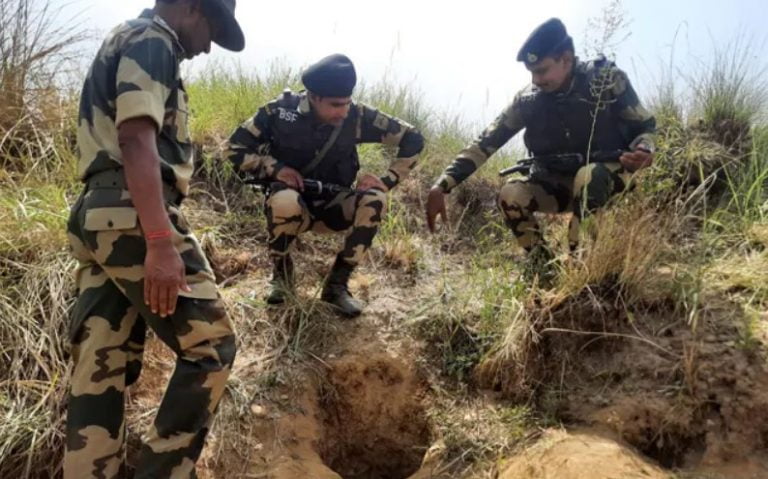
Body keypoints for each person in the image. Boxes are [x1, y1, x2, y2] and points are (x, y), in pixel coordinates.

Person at [64, 1, 244, 477]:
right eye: (212, 27)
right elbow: (136, 140)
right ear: (188, 6)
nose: (207, 47)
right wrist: (161, 240)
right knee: (212, 348)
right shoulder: (154, 41)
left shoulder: (129, 37)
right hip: (133, 216)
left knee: (101, 366)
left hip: (100, 216)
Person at [426, 18, 656, 263]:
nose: (535, 80)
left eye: (541, 70)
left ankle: (582, 270)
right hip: (556, 184)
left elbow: (645, 127)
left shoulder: (605, 80)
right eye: (531, 73)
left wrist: (644, 149)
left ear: (566, 59)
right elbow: (484, 144)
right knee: (511, 193)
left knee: (589, 176)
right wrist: (441, 185)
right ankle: (543, 268)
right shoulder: (527, 101)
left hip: (605, 180)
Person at [225, 53, 425, 317]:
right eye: (335, 105)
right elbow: (234, 148)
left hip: (335, 207)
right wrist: (276, 168)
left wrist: (386, 180)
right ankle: (282, 278)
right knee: (283, 200)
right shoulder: (279, 112)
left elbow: (413, 138)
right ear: (313, 96)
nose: (343, 112)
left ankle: (336, 286)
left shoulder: (357, 116)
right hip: (293, 207)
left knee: (375, 198)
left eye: (346, 103)